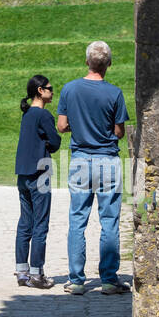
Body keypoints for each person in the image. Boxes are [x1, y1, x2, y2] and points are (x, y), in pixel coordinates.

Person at [57, 41, 130, 295]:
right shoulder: (115, 93)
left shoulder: (70, 89)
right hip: (107, 159)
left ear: (87, 61)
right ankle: (109, 279)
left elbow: (62, 126)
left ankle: (76, 280)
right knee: (109, 220)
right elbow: (119, 132)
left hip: (80, 159)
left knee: (78, 218)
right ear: (109, 63)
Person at [14, 75, 61, 290]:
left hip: (23, 174)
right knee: (40, 225)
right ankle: (37, 274)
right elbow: (56, 142)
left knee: (25, 223)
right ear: (40, 91)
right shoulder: (43, 115)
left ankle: (22, 271)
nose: (53, 92)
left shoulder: (27, 115)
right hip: (40, 173)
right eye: (50, 89)